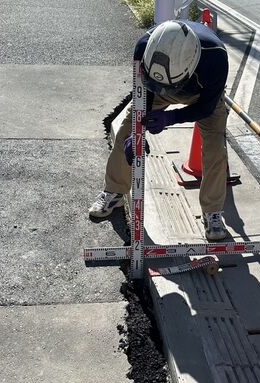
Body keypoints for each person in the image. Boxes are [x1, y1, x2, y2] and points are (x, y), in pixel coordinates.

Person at [88, 19, 231, 241]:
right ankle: (114, 190)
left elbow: (206, 107)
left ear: (191, 65)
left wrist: (172, 116)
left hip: (200, 95)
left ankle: (212, 212)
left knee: (215, 148)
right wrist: (138, 129)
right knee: (127, 130)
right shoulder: (144, 46)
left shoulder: (216, 57)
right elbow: (141, 92)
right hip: (155, 90)